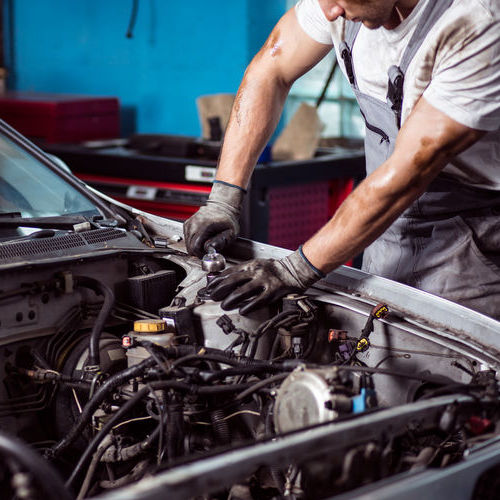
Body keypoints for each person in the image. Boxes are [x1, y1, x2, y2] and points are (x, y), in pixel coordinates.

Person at [184, 0, 500, 319]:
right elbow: (273, 64)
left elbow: (411, 169)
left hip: (469, 247)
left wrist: (293, 271)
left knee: (447, 364)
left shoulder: (475, 22)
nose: (331, 11)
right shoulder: (337, 4)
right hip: (382, 229)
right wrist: (223, 200)